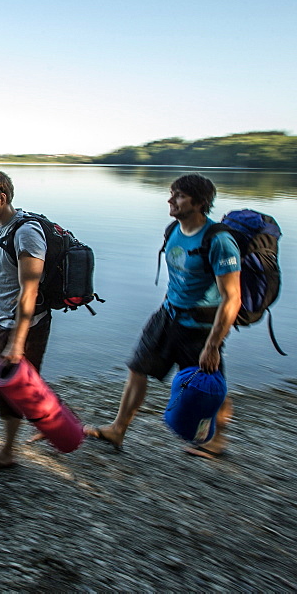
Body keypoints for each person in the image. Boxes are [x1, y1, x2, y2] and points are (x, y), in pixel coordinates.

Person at [85, 173, 241, 458]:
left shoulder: (219, 241)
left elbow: (232, 298)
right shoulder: (173, 230)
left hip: (200, 327)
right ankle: (118, 429)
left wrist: (213, 345)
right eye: (171, 193)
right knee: (137, 369)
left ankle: (217, 441)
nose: (171, 199)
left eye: (179, 195)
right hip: (167, 315)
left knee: (209, 382)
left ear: (200, 202)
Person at [0, 170, 50, 470]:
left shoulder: (26, 232)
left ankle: (7, 453)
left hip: (24, 324)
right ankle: (44, 416)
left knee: (10, 387)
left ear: (1, 198)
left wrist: (17, 342)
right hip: (2, 317)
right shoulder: (1, 226)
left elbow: (30, 290)